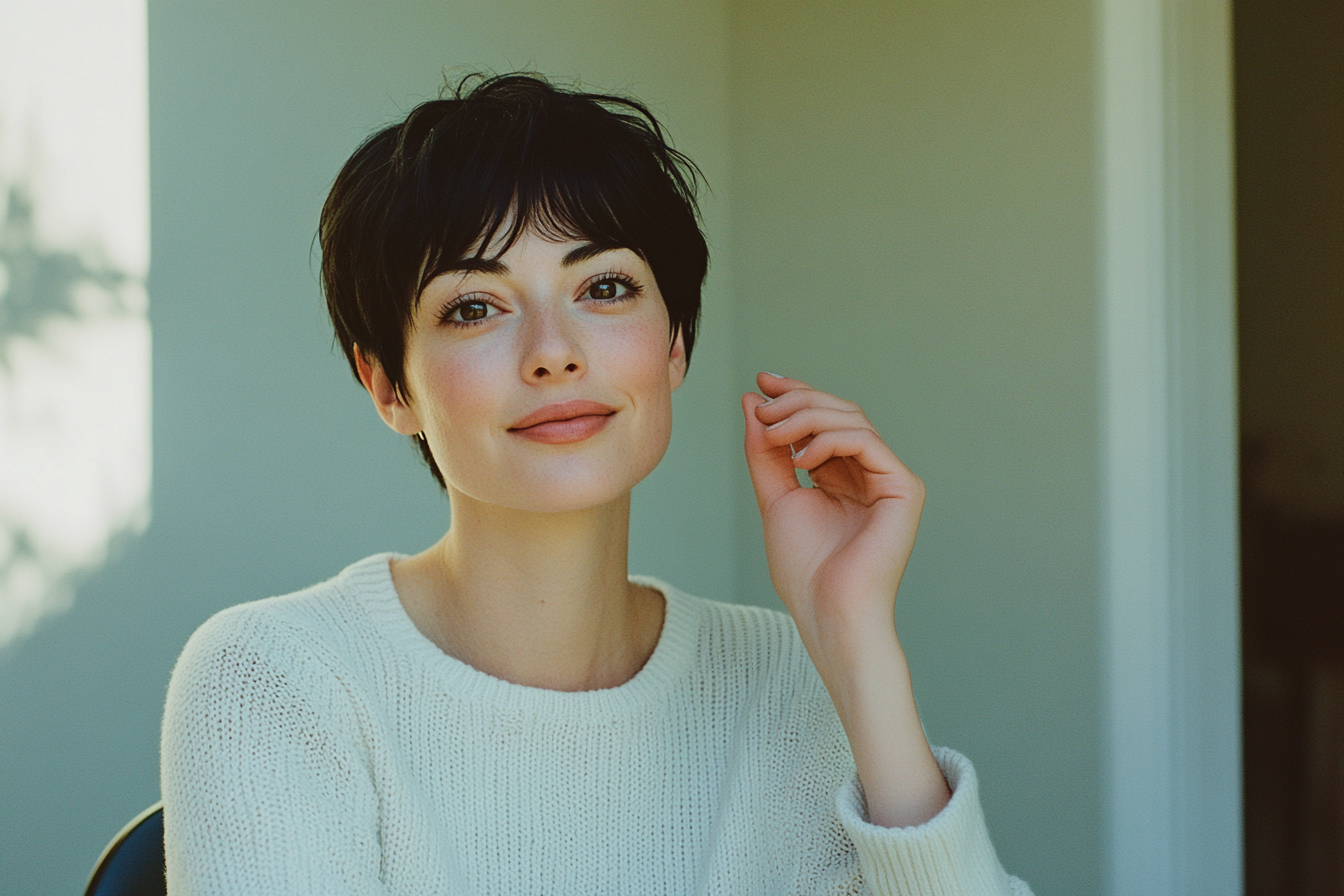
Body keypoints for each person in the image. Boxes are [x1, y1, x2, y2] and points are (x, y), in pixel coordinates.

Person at [160, 73, 1031, 895]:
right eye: (474, 306)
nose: (554, 350)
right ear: (388, 385)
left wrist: (853, 639)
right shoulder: (273, 682)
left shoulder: (780, 679)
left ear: (675, 343)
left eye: (606, 287)